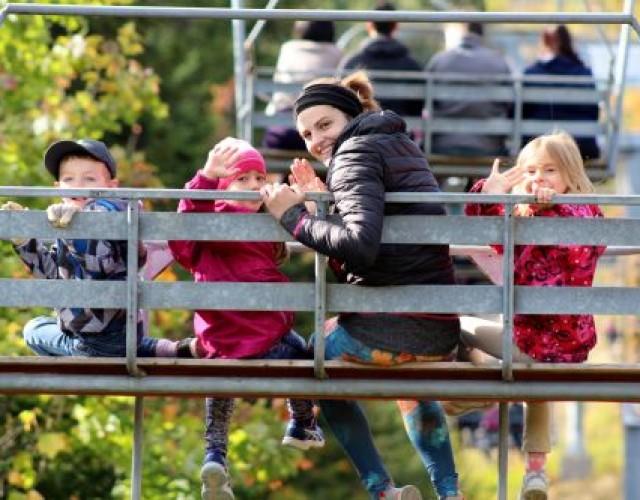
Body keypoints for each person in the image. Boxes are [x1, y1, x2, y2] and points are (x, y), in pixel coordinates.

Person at [260, 71, 463, 500]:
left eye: (324, 125)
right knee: (409, 385)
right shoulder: (397, 142)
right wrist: (327, 207)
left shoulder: (354, 154)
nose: (315, 140)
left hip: (394, 327)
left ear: (349, 115)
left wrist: (293, 219)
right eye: (306, 133)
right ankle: (449, 493)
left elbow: (359, 246)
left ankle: (381, 490)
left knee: (317, 358)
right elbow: (367, 259)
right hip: (439, 327)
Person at [167, 137, 324, 500]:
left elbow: (183, 228)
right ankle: (302, 422)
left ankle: (215, 456)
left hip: (219, 345)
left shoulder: (255, 222)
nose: (254, 186)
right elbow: (185, 232)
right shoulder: (216, 221)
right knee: (300, 357)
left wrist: (293, 205)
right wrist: (206, 179)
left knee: (221, 387)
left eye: (259, 178)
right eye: (243, 179)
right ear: (222, 188)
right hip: (265, 342)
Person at [459, 130, 604, 499]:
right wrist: (487, 195)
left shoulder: (580, 212)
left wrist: (549, 207)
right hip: (558, 351)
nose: (538, 179)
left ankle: (479, 393)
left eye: (550, 170)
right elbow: (491, 236)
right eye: (531, 171)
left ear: (571, 176)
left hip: (537, 345)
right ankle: (536, 472)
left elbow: (577, 236)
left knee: (457, 323)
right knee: (535, 383)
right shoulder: (525, 215)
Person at [0, 139, 191, 358]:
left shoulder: (109, 217)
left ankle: (105, 355)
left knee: (33, 332)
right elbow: (53, 275)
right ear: (58, 187)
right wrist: (26, 242)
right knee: (38, 325)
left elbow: (98, 266)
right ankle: (166, 349)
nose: (78, 186)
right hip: (118, 336)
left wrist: (78, 231)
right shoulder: (68, 219)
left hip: (99, 341)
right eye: (68, 179)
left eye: (89, 179)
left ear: (111, 187)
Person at [425, 22, 512, 157]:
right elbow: (508, 104)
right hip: (489, 146)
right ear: (483, 35)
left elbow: (426, 103)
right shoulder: (499, 62)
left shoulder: (439, 60)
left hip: (442, 144)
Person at [522, 25, 600, 160]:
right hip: (580, 145)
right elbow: (593, 111)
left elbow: (521, 111)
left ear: (544, 43)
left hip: (538, 142)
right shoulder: (583, 72)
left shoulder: (532, 73)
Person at [263, 20, 342, 151]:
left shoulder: (288, 49)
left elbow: (277, 85)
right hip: (318, 135)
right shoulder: (337, 53)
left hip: (281, 132)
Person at [340, 1, 424, 118]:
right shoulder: (413, 66)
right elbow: (418, 107)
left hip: (362, 132)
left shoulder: (352, 63)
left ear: (369, 26)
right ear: (395, 26)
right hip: (401, 131)